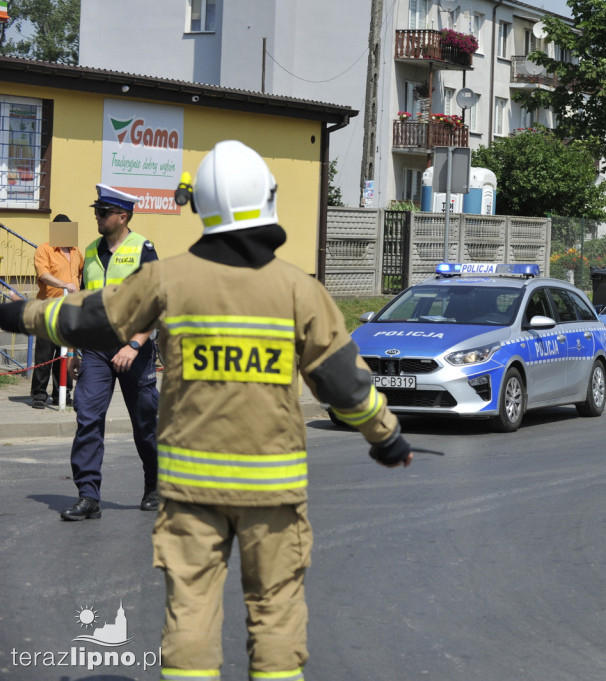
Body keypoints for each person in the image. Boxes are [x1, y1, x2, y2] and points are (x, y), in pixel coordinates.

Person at [0, 140, 414, 681]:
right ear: (267, 200)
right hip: (272, 490)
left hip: (192, 489)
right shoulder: (298, 289)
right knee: (275, 614)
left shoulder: (168, 278)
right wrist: (386, 437)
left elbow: (86, 318)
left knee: (191, 613)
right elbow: (345, 385)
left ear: (202, 207)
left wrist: (15, 313)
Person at [60, 185, 161, 521]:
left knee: (146, 422)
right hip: (95, 350)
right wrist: (75, 349)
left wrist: (134, 345)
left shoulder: (143, 249)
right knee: (87, 418)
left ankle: (155, 486)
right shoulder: (89, 251)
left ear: (123, 216)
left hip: (135, 350)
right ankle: (89, 496)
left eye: (103, 212)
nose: (97, 217)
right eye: (96, 211)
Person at [30, 213, 83, 409]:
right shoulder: (44, 249)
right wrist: (65, 285)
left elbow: (80, 275)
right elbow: (43, 274)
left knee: (67, 354)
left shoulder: (77, 251)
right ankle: (39, 395)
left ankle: (62, 392)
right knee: (45, 355)